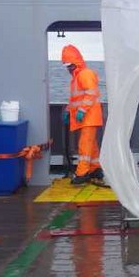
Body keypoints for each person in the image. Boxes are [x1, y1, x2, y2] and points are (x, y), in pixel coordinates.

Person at [61, 44, 104, 185]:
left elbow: (92, 93)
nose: (68, 69)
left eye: (69, 65)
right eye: (67, 66)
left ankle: (82, 173)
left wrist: (82, 110)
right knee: (91, 146)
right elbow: (75, 99)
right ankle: (95, 169)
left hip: (89, 117)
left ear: (76, 63)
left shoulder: (85, 74)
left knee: (84, 145)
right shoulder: (77, 77)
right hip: (87, 118)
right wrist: (69, 110)